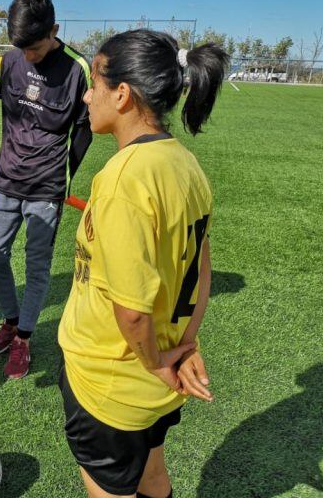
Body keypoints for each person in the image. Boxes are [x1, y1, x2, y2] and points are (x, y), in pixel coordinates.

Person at [57, 29, 229, 498]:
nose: (87, 95)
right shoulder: (186, 164)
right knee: (153, 475)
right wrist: (186, 344)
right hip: (162, 378)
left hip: (113, 382)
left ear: (123, 94)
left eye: (94, 81)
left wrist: (155, 364)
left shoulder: (123, 181)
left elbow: (130, 311)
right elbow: (203, 265)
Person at [0, 0, 92, 379]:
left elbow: (83, 132)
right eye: (21, 48)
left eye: (35, 47)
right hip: (6, 179)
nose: (27, 55)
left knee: (37, 265)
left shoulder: (79, 69)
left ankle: (24, 339)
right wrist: (9, 159)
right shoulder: (11, 60)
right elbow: (8, 119)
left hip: (47, 185)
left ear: (55, 30)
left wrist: (64, 180)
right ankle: (11, 321)